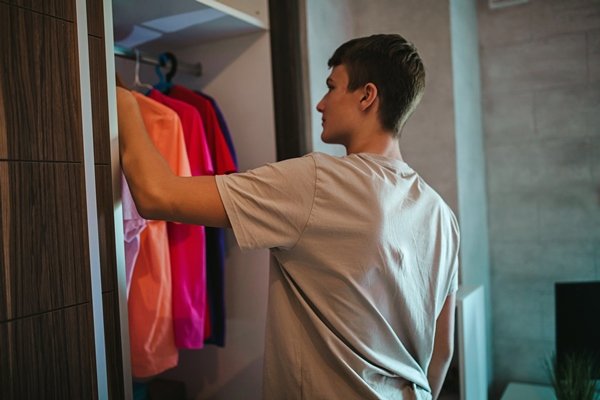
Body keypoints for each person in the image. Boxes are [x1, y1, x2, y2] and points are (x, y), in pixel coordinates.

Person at [117, 33, 459, 400]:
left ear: (366, 95)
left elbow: (156, 195)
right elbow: (442, 352)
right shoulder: (441, 213)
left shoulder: (318, 183)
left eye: (332, 87)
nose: (320, 103)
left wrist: (122, 102)